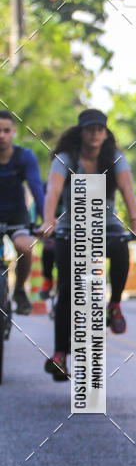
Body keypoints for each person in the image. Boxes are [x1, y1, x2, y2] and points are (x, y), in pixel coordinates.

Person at [42, 109, 136, 381]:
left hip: (107, 226)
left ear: (105, 132)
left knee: (121, 248)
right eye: (90, 129)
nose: (95, 134)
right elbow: (53, 191)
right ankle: (60, 354)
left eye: (100, 129)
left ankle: (114, 304)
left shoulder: (115, 158)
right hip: (70, 229)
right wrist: (48, 221)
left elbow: (127, 189)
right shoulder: (67, 159)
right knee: (66, 289)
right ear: (81, 132)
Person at [0, 110, 45, 314]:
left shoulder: (24, 157)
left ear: (14, 132)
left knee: (25, 247)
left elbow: (36, 188)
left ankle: (19, 290)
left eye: (6, 130)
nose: (2, 135)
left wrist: (46, 220)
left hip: (17, 215)